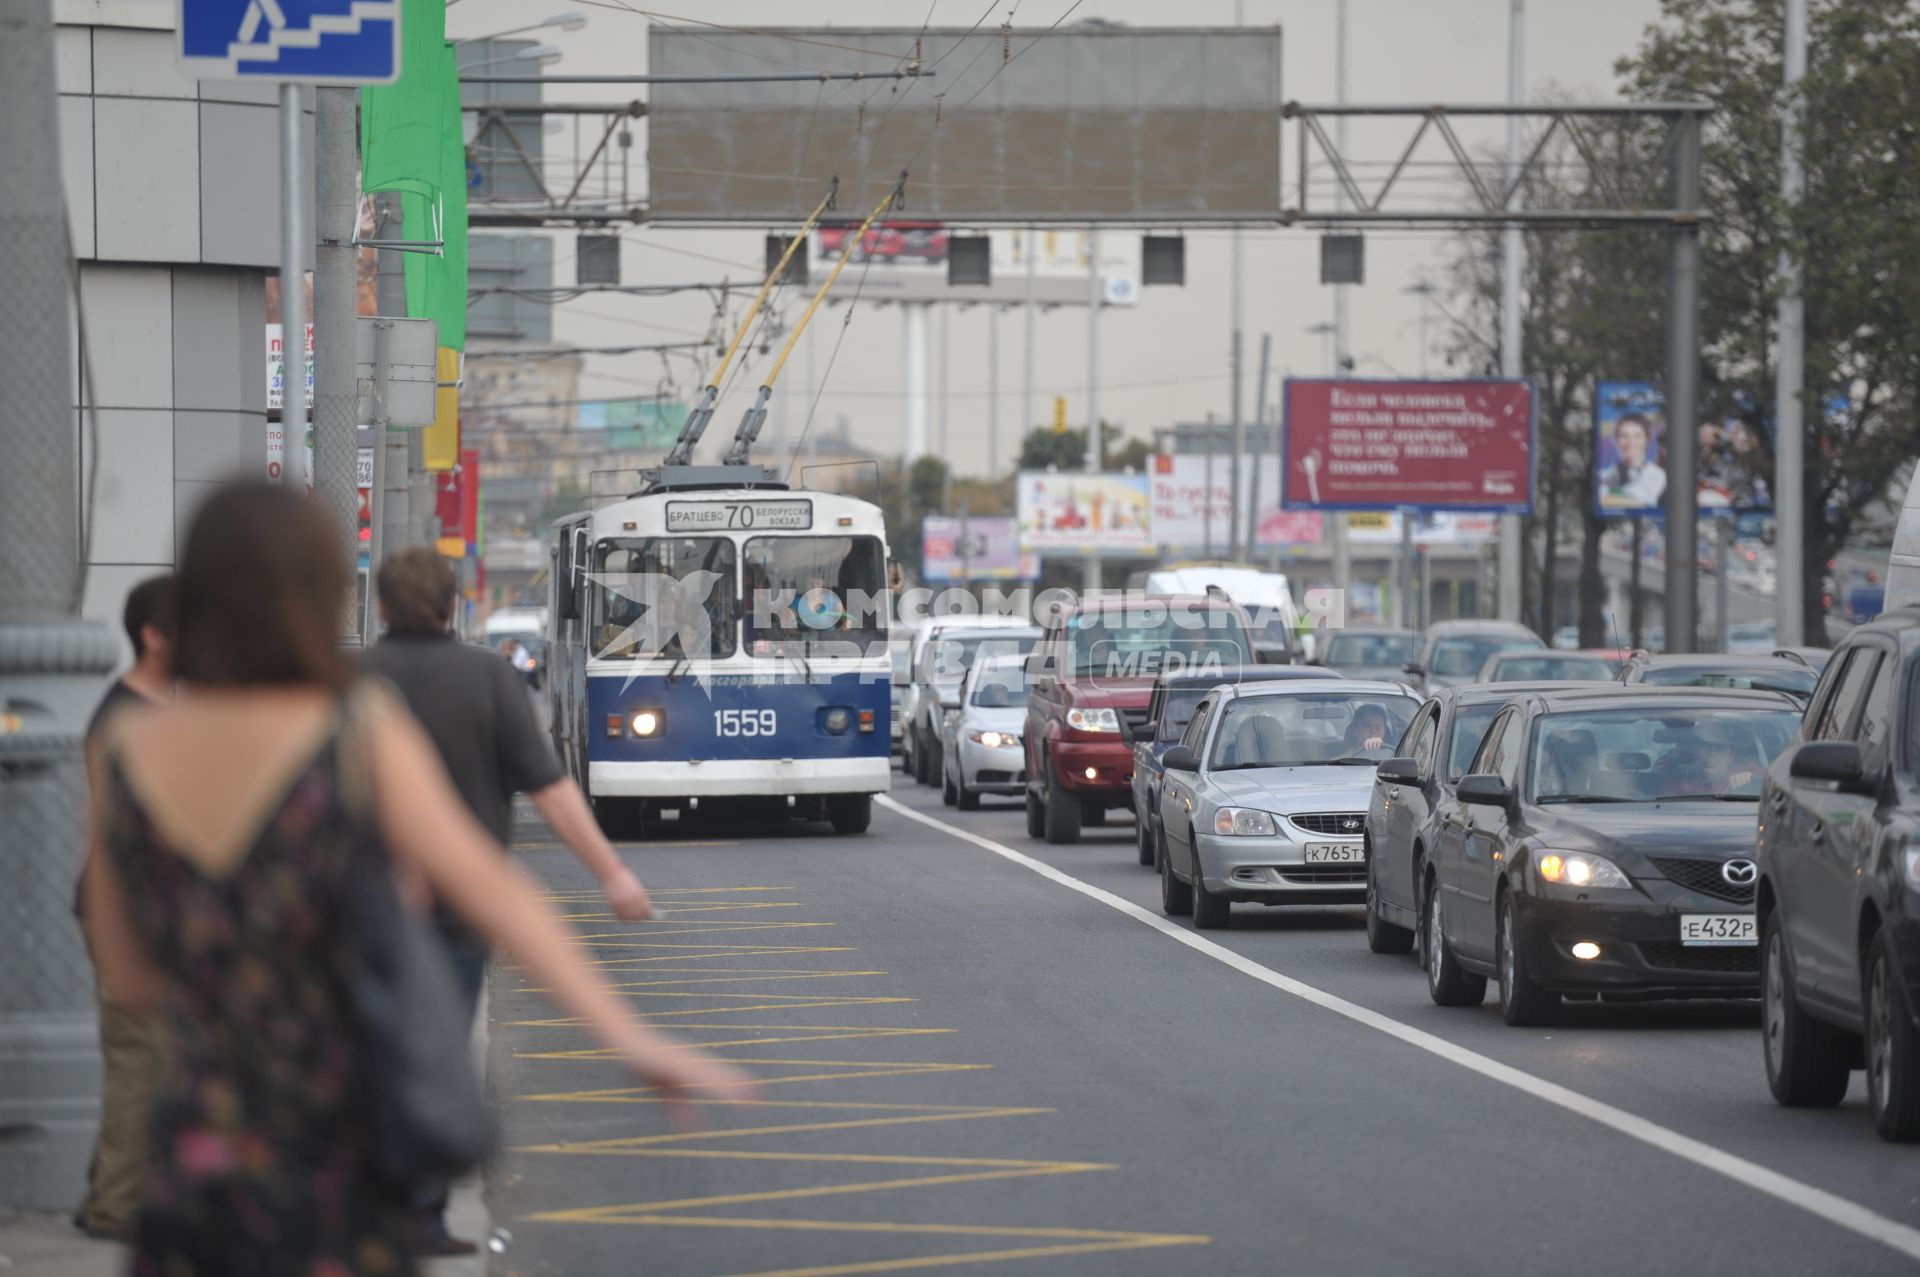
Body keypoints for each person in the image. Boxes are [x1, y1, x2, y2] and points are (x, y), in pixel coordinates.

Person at [80, 484, 752, 1276]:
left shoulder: (125, 744)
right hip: (339, 1150)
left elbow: (126, 974)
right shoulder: (351, 725)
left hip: (194, 1155)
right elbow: (495, 890)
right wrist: (631, 1037)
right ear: (319, 587)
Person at [360, 547, 655, 1255]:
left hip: (364, 908)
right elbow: (549, 787)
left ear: (382, 607)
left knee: (374, 1050)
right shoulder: (487, 677)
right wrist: (610, 871)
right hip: (464, 910)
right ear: (452, 603)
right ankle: (424, 1212)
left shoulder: (351, 679)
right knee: (442, 1051)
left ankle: (369, 1199)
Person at [73, 574, 177, 1242]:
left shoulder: (151, 708)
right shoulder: (124, 717)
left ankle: (108, 1193)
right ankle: (115, 1204)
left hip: (142, 910)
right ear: (153, 636)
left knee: (142, 1056)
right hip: (127, 913)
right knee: (139, 1056)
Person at [1601, 414, 1667, 509]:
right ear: (1615, 440)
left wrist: (1609, 495)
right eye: (1624, 436)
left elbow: (1644, 502)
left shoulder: (1660, 477)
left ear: (1647, 440)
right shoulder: (1602, 476)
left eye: (1637, 436)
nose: (1631, 442)